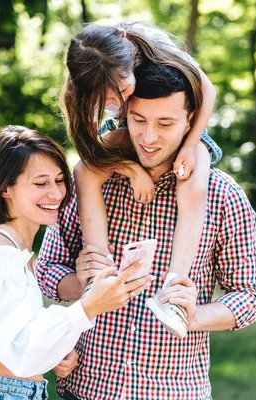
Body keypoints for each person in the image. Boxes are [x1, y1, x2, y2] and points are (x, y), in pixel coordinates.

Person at [37, 61, 256, 399]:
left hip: (173, 391)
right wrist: (80, 282)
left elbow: (250, 297)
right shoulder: (91, 182)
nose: (148, 137)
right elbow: (46, 270)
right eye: (139, 120)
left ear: (192, 121)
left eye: (165, 123)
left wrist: (194, 315)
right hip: (86, 389)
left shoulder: (223, 197)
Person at [0, 125, 155, 400]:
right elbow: (20, 352)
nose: (56, 194)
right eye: (40, 183)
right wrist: (89, 307)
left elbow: (13, 339)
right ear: (6, 189)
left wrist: (57, 353)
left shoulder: (15, 249)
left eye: (60, 180)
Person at [60, 22, 222, 337]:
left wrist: (190, 145)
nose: (116, 102)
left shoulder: (156, 50)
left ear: (129, 63)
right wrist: (132, 170)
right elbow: (91, 155)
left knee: (193, 178)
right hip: (129, 132)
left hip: (180, 131)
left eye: (121, 91)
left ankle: (173, 293)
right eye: (105, 99)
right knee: (83, 172)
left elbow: (208, 90)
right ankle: (99, 272)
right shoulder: (79, 97)